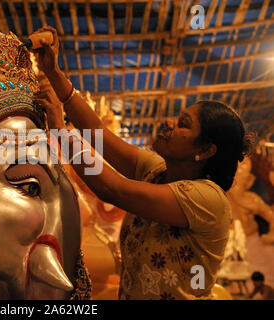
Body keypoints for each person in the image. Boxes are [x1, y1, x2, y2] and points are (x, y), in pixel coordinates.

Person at [33, 26, 252, 299]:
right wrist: (54, 73)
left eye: (183, 124)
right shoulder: (156, 171)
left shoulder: (207, 199)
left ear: (206, 150)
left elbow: (112, 189)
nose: (168, 122)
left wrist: (61, 132)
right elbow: (97, 133)